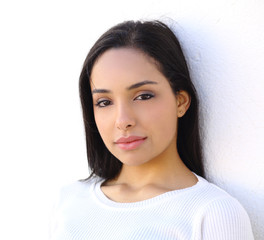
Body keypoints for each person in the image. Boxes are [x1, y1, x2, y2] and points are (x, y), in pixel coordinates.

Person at [49, 20, 254, 239]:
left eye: (143, 96)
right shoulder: (70, 201)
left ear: (181, 102)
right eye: (104, 102)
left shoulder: (213, 213)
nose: (123, 121)